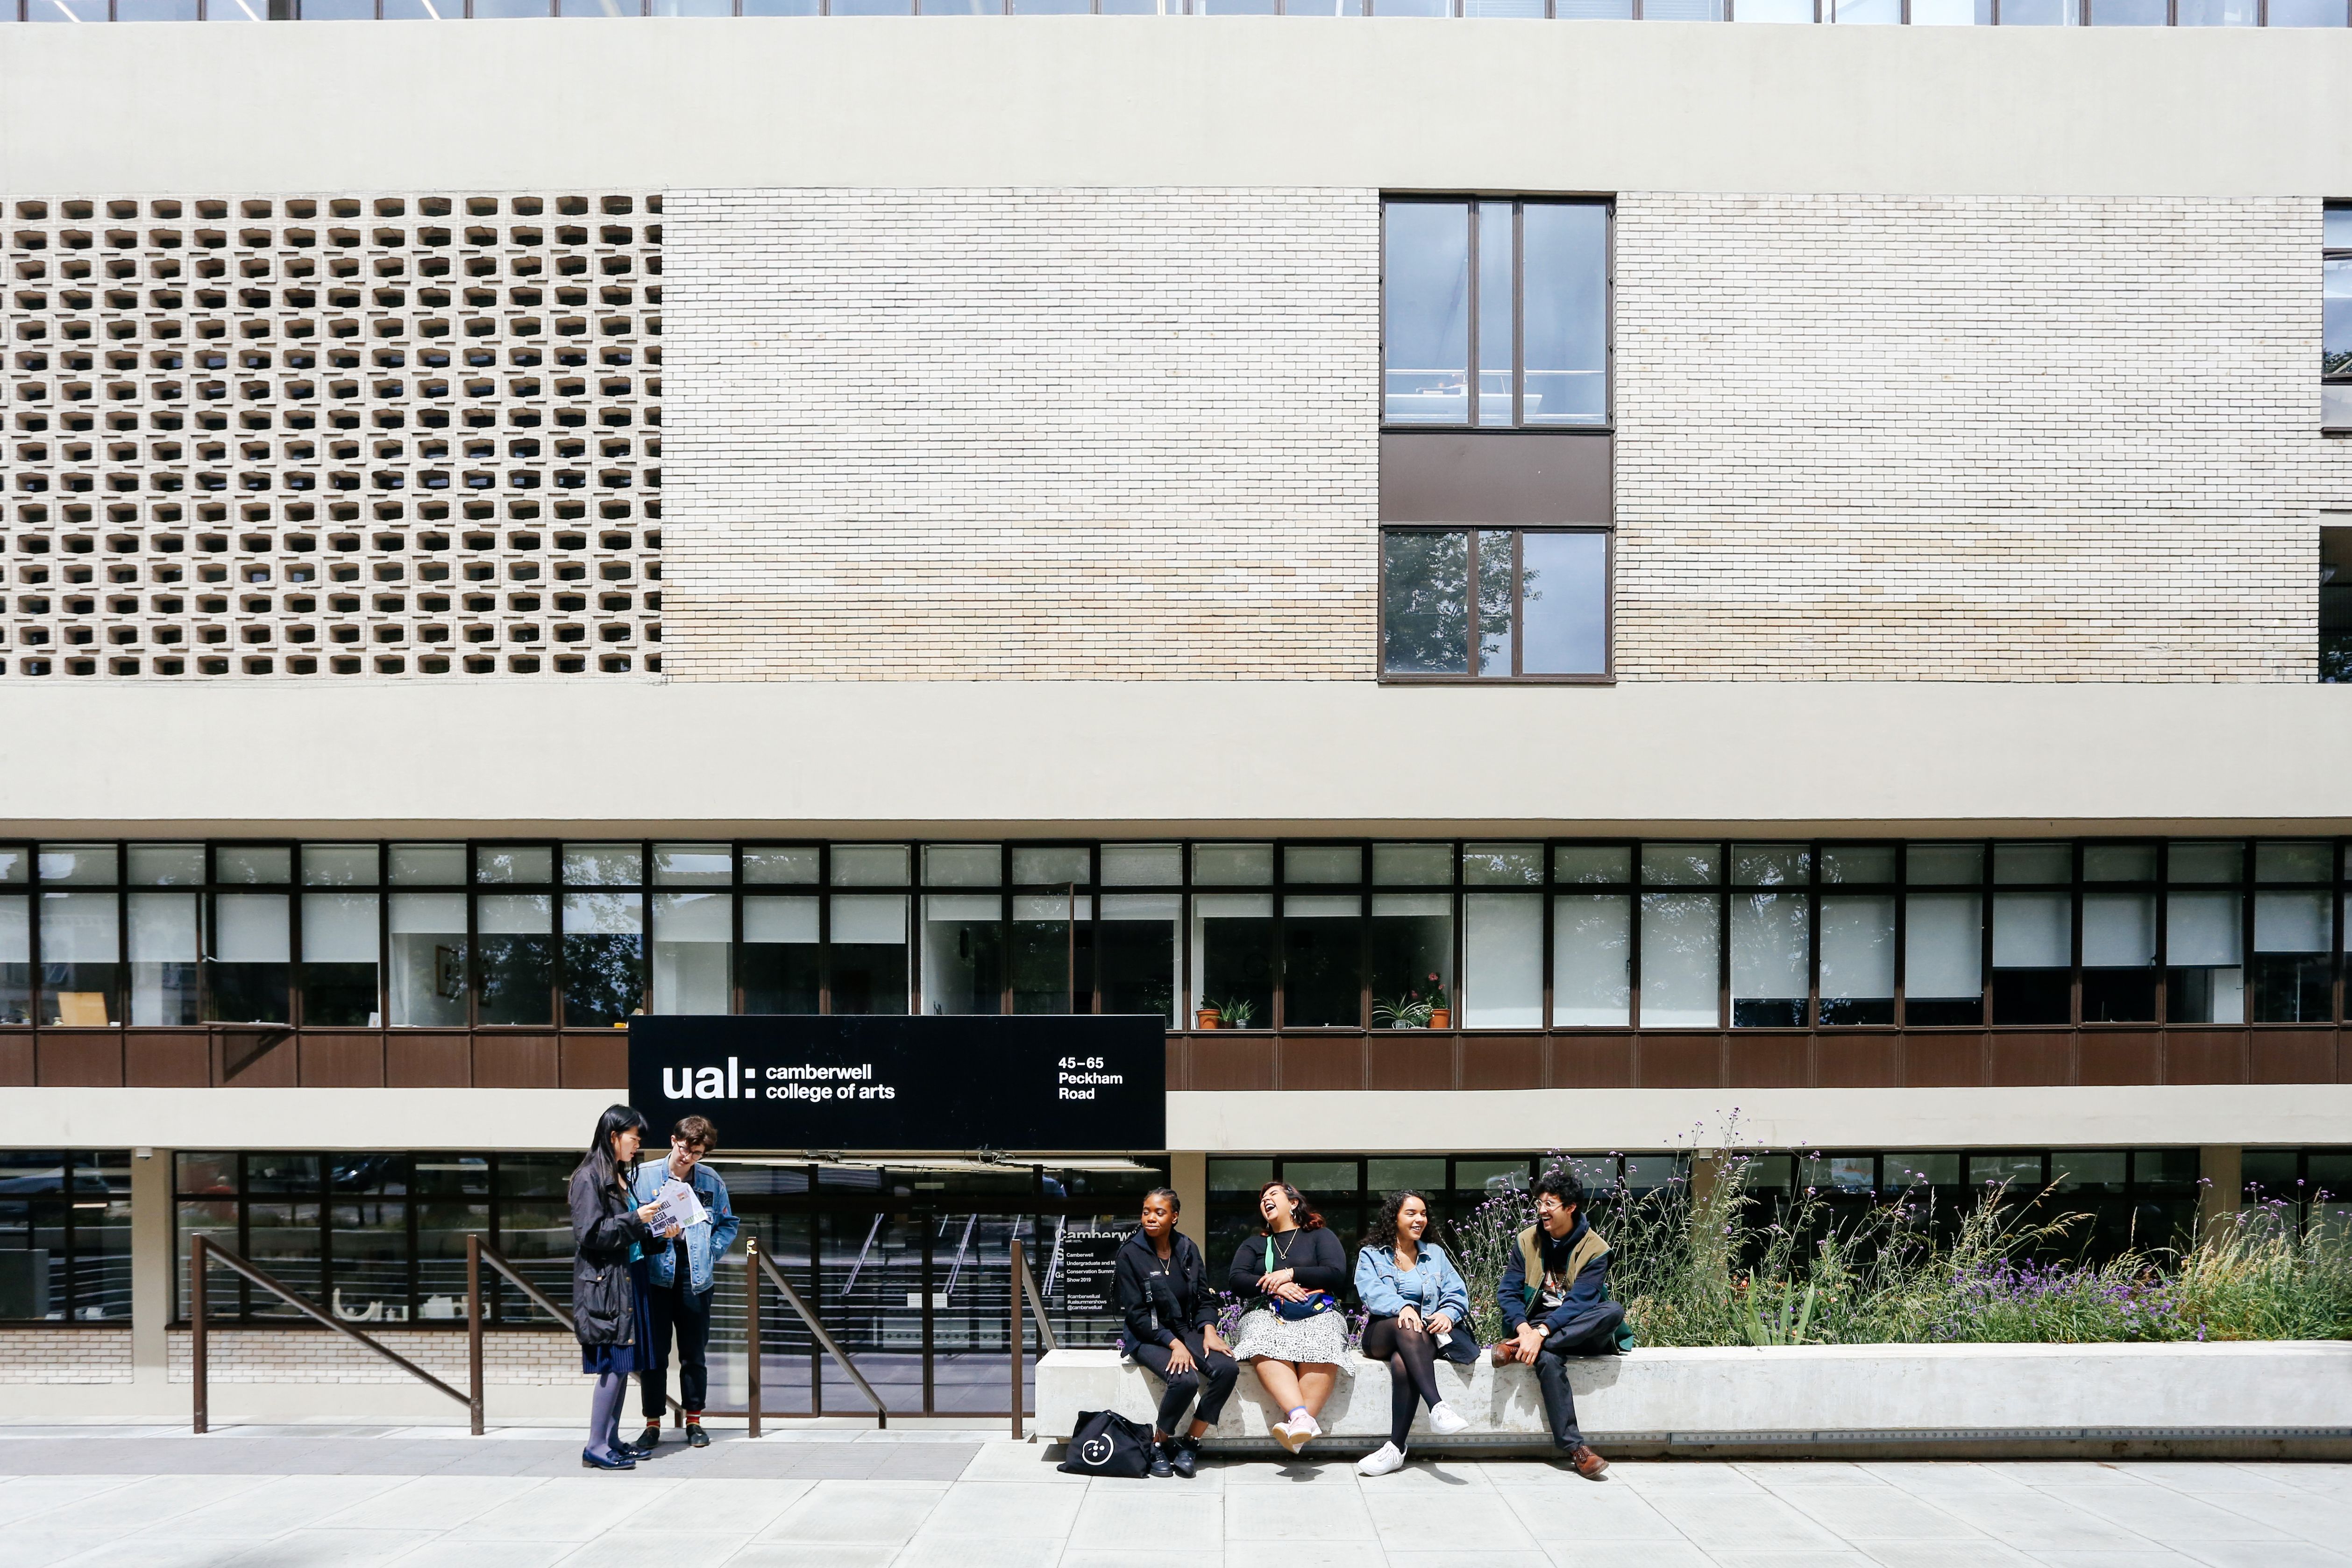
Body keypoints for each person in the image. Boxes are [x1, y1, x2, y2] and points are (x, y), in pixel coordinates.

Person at [1494, 1168, 1626, 1479]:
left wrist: (1541, 1334)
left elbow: (1582, 1301)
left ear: (1570, 1207)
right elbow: (1508, 1292)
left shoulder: (1596, 1248)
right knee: (1549, 1361)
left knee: (1613, 1310)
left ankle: (1518, 1350)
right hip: (1536, 1325)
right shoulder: (1526, 1240)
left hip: (1580, 1325)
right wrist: (1525, 1330)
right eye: (1539, 1202)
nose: (1542, 1210)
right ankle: (1577, 1450)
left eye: (1549, 1203)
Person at [568, 1103, 672, 1471]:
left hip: (631, 1278)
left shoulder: (620, 1176)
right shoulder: (587, 1178)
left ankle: (611, 1440)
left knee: (625, 1363)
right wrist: (635, 1218)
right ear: (613, 1136)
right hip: (608, 1286)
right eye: (634, 1137)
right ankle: (595, 1445)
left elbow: (629, 1234)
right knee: (613, 1363)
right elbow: (591, 1233)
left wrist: (657, 1230)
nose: (637, 1144)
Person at [627, 1114, 739, 1453]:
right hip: (655, 1276)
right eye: (683, 1147)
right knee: (654, 1354)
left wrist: (710, 1251)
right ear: (673, 1140)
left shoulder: (710, 1180)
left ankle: (694, 1420)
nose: (687, 1156)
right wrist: (653, 1231)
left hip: (696, 1277)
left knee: (694, 1353)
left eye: (696, 1152)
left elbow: (728, 1222)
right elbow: (630, 1222)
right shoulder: (643, 1176)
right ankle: (652, 1423)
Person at [1352, 1189, 1478, 1476]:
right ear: (1394, 1218)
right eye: (1411, 1213)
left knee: (1402, 1363)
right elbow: (1370, 1293)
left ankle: (1395, 1449)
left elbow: (1457, 1292)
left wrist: (1448, 1313)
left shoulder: (1434, 1255)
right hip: (1382, 1332)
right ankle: (1437, 1406)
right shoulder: (1371, 1255)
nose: (1419, 1219)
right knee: (1404, 1323)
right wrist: (1402, 1307)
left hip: (1423, 1336)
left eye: (1423, 1214)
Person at [1114, 1186, 1237, 1479]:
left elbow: (1205, 1298)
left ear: (1175, 1217)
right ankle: (1159, 1444)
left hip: (1186, 1328)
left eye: (1159, 1212)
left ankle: (1190, 1443)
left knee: (1227, 1368)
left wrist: (1209, 1331)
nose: (1151, 1218)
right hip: (1147, 1335)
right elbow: (1137, 1315)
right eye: (1146, 1212)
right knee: (1184, 1381)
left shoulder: (1187, 1249)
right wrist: (1174, 1345)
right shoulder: (1130, 1254)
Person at [1225, 1180, 1349, 1454]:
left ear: (1293, 1203)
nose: (1265, 1200)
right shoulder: (1255, 1244)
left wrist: (1291, 1273)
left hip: (1316, 1308)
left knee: (1325, 1336)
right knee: (1260, 1337)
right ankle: (1301, 1419)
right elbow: (1237, 1280)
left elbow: (1336, 1273)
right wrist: (1275, 1285)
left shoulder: (1320, 1236)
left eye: (1273, 1195)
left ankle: (1297, 1426)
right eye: (1262, 1198)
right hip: (1266, 1310)